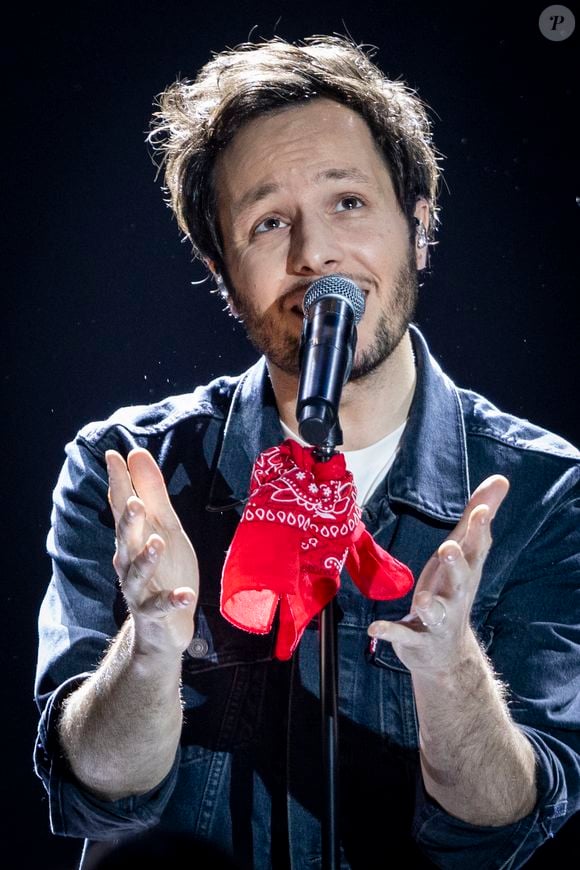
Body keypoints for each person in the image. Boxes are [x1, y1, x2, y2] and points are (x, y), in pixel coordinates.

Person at [34, 35, 580, 869]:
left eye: (349, 203)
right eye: (268, 223)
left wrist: (447, 668)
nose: (314, 255)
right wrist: (151, 642)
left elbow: (510, 819)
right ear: (223, 271)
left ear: (420, 224)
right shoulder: (129, 473)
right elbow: (96, 790)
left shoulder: (544, 492)